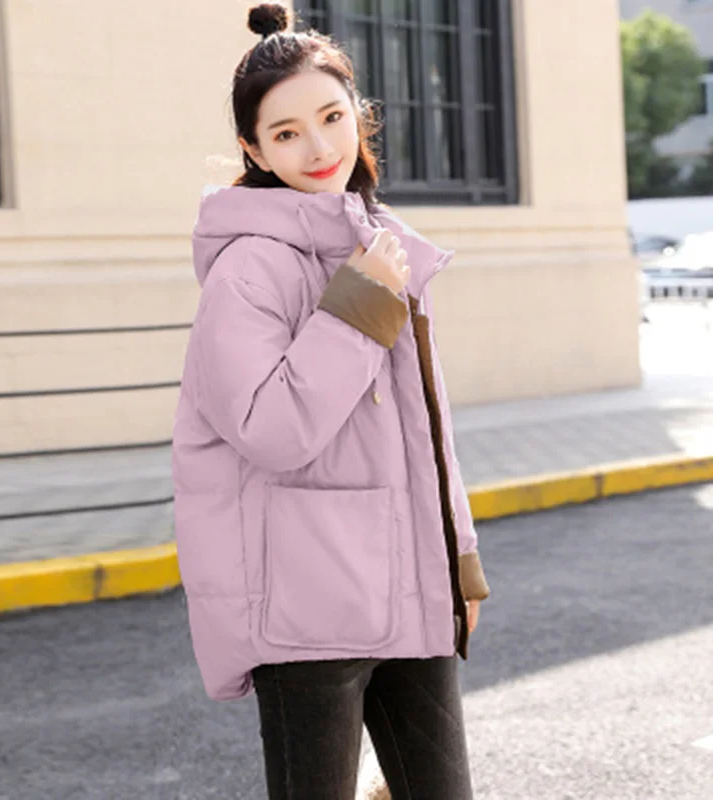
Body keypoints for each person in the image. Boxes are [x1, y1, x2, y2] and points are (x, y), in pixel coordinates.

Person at [171, 4, 491, 798]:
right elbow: (271, 430)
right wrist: (358, 306)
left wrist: (460, 562)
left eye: (331, 118)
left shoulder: (380, 246)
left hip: (410, 585)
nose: (318, 149)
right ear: (253, 150)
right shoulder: (247, 270)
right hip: (306, 608)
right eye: (286, 133)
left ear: (358, 114)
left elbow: (425, 429)